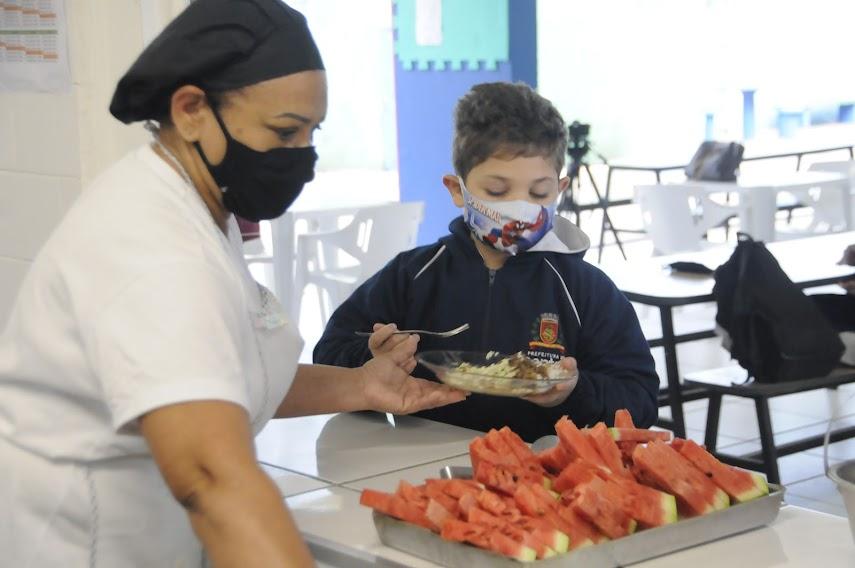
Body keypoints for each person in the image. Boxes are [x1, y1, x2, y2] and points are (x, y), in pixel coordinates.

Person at [0, 1, 465, 566]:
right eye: (284, 131)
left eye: (312, 133)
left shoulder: (199, 207)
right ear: (192, 109)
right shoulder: (153, 247)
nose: (303, 157)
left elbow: (219, 370)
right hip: (87, 545)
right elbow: (211, 478)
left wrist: (360, 386)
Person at [313, 82, 659, 442]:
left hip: (544, 473)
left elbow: (641, 400)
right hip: (422, 465)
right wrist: (370, 358)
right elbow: (329, 359)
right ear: (456, 190)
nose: (520, 208)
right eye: (497, 192)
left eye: (538, 192)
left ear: (559, 190)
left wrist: (573, 391)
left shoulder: (585, 290)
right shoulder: (412, 275)